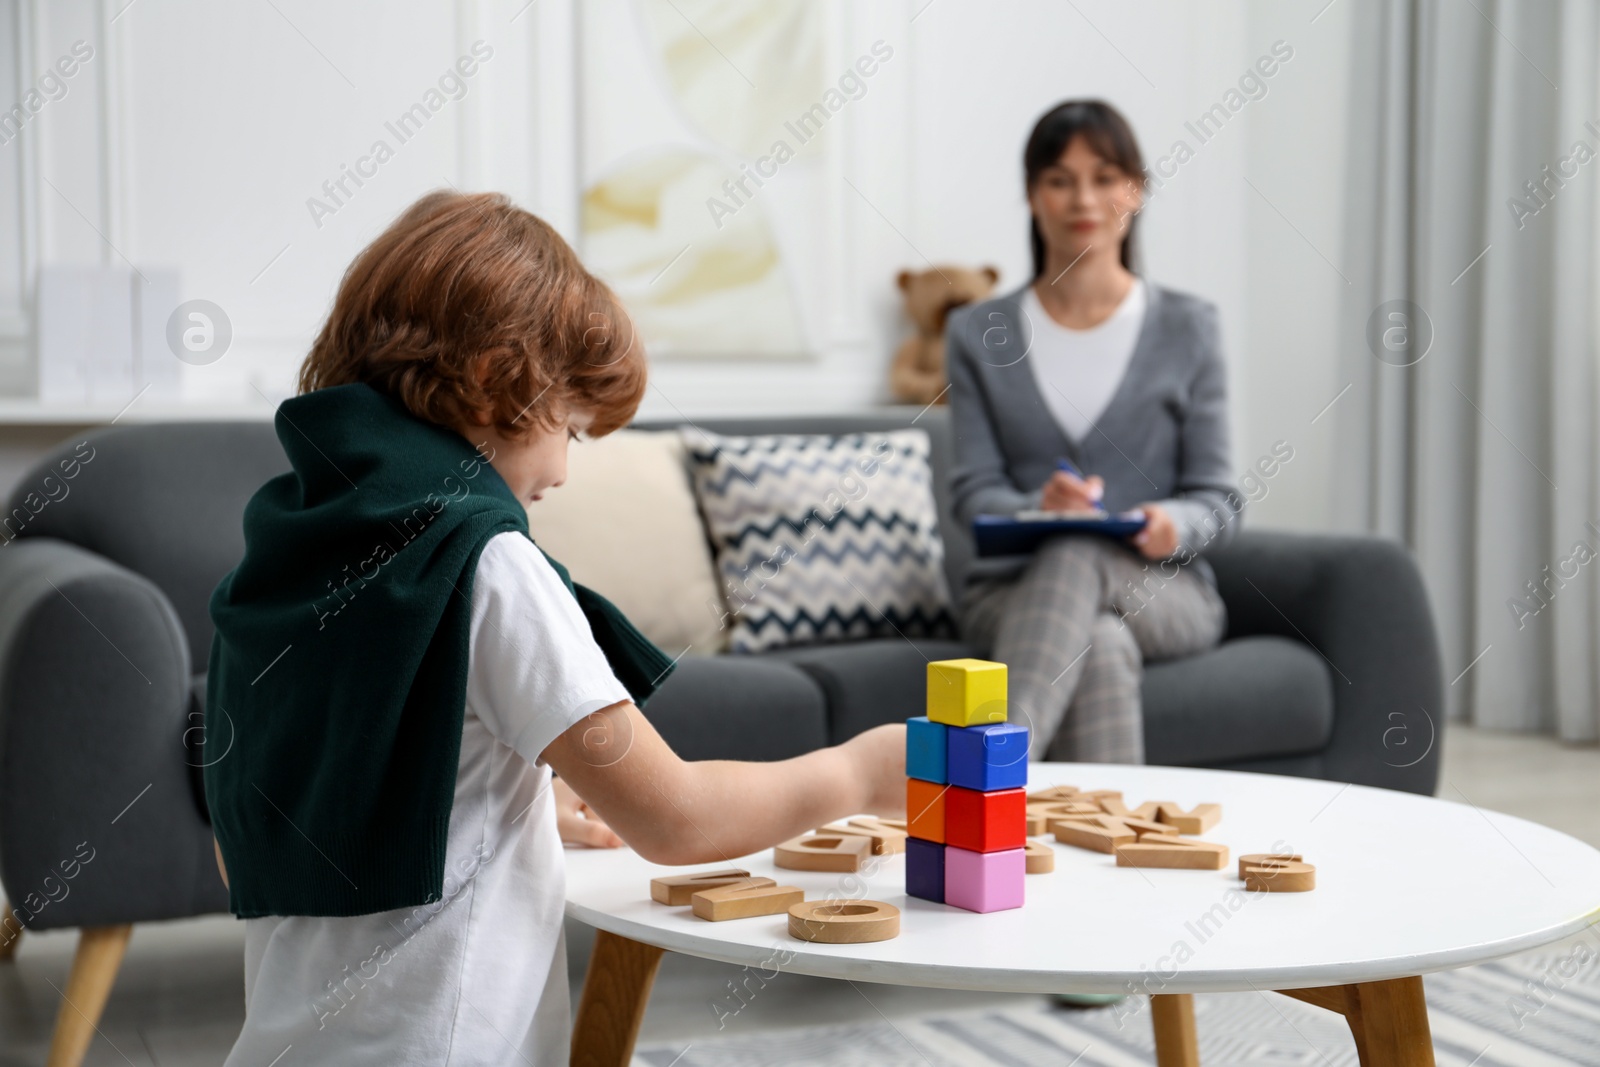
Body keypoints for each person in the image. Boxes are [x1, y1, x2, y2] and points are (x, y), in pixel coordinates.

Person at [205, 190, 906, 1065]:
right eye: (570, 427)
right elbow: (676, 820)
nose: (566, 470)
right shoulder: (485, 561)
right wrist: (856, 771)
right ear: (500, 377)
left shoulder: (282, 556)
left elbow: (260, 845)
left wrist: (512, 800)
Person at [947, 100, 1241, 766]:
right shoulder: (976, 332)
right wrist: (1035, 508)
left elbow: (1219, 499)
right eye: (1059, 178)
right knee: (1100, 643)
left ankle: (989, 776)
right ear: (1031, 195)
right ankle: (1114, 855)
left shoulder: (1189, 327)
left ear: (1135, 191)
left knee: (1080, 553)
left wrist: (1169, 520)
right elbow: (972, 494)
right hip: (1012, 590)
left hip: (1165, 590)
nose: (1084, 197)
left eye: (1105, 176)